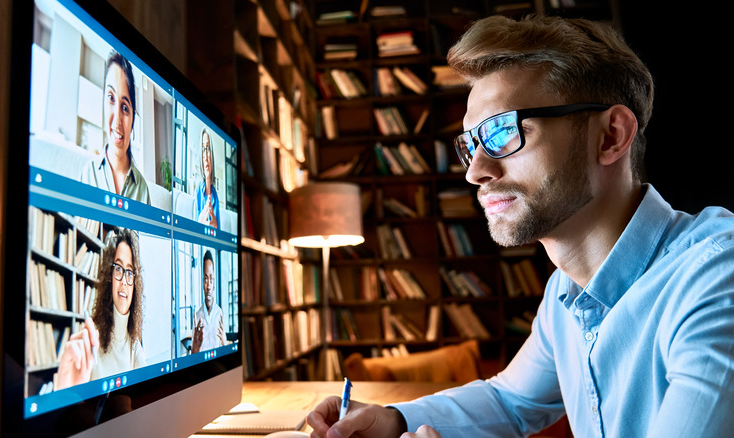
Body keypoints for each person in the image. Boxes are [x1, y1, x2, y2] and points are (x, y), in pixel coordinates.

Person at [308, 14, 734, 438]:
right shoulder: (565, 292)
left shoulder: (716, 278)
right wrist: (394, 419)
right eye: (471, 143)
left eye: (503, 131)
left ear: (610, 136)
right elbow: (509, 402)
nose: (476, 171)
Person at [57, 228, 147, 389]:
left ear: (135, 283)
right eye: (118, 268)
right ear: (110, 276)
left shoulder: (135, 346)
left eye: (130, 272)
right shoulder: (91, 339)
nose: (124, 281)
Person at [81, 50, 152, 206]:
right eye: (111, 98)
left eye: (125, 108)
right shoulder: (88, 174)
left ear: (133, 120)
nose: (117, 121)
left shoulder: (142, 190)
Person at [191, 249, 226, 353]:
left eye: (211, 279)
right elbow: (193, 355)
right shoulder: (197, 317)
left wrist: (225, 342)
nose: (209, 286)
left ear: (214, 283)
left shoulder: (220, 314)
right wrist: (194, 348)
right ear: (202, 283)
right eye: (206, 279)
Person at [195, 129, 220, 227]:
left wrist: (216, 227)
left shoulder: (215, 195)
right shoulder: (198, 190)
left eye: (208, 148)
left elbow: (219, 233)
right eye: (202, 149)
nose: (205, 156)